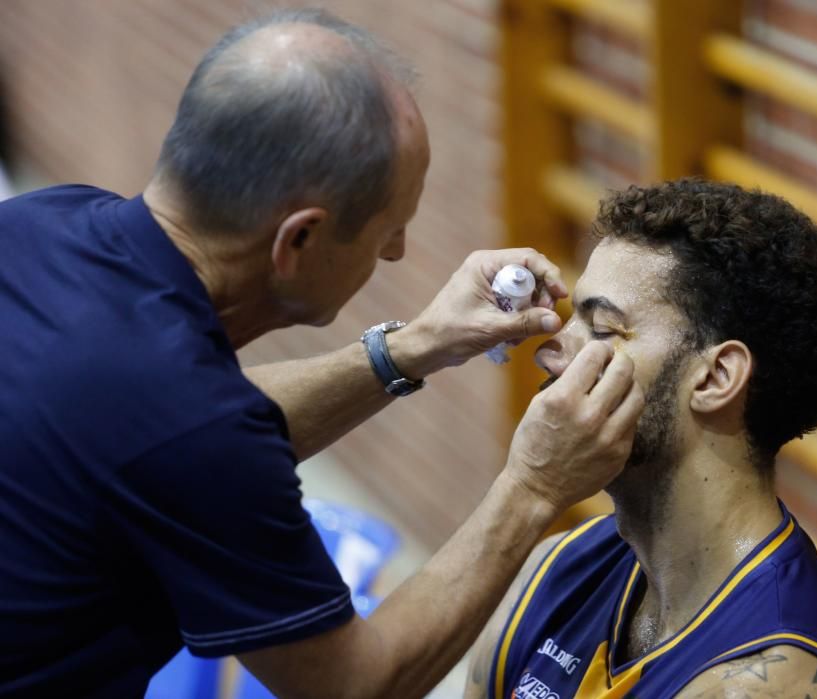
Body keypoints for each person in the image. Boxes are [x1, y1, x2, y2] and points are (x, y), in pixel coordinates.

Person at [0, 10, 645, 699]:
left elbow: (177, 435)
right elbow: (351, 684)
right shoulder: (191, 429)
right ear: (298, 240)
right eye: (387, 230)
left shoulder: (39, 222)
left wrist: (414, 348)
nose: (395, 252)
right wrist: (533, 486)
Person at [465, 179, 817, 699]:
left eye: (601, 329)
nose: (550, 351)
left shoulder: (772, 684)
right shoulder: (552, 569)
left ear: (715, 378)